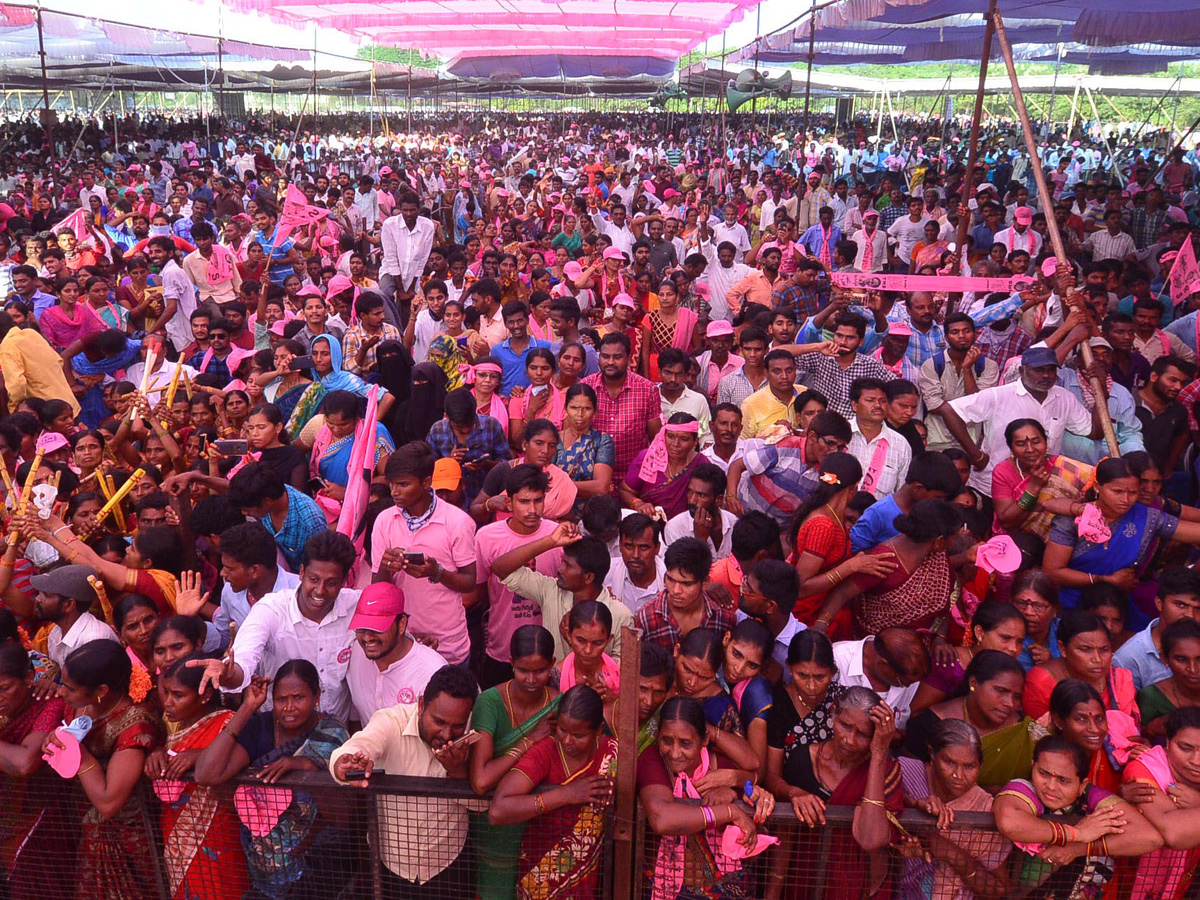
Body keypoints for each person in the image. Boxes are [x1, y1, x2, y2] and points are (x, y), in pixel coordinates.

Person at [193, 660, 350, 900]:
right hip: (262, 862)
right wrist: (247, 708)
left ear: (317, 696)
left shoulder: (332, 733)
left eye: (298, 698)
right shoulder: (263, 727)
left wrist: (304, 768)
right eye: (280, 699)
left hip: (317, 862)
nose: (289, 708)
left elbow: (341, 816)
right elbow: (206, 774)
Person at [329, 665, 480, 900]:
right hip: (388, 869)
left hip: (448, 868)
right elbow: (358, 745)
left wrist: (458, 774)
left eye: (457, 726)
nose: (447, 735)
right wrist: (344, 764)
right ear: (421, 705)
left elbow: (483, 806)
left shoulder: (474, 736)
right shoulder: (391, 721)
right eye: (438, 721)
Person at [190, 531, 359, 722]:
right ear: (302, 572)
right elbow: (244, 658)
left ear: (344, 581)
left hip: (339, 731)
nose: (320, 590)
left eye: (331, 583)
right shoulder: (271, 609)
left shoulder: (356, 605)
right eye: (313, 579)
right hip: (281, 729)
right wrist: (229, 674)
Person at [52, 640, 163, 900]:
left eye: (70, 688)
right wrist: (54, 740)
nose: (62, 693)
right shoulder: (82, 707)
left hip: (125, 840)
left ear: (101, 690)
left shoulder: (135, 726)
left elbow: (108, 802)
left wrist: (77, 755)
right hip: (90, 832)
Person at [770, 686, 903, 900]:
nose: (849, 740)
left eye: (863, 734)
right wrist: (773, 893)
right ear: (834, 715)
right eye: (845, 726)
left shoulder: (886, 771)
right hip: (804, 884)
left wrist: (879, 753)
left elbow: (871, 839)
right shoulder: (803, 758)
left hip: (856, 890)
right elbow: (785, 835)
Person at [637, 696, 775, 900]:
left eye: (685, 743)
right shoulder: (652, 759)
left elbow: (752, 771)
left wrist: (736, 786)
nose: (674, 753)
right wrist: (730, 811)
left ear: (704, 739)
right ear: (658, 736)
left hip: (729, 886)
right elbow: (662, 819)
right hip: (672, 888)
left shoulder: (720, 767)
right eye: (667, 740)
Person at [488, 684, 616, 900]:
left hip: (588, 880)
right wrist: (566, 794)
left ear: (598, 730)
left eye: (578, 735)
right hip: (539, 878)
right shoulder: (545, 752)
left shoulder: (612, 755)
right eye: (563, 730)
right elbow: (498, 810)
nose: (567, 741)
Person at [993, 735, 1161, 897]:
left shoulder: (1092, 796)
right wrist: (1077, 834)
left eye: (1063, 780)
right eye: (1043, 774)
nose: (1050, 786)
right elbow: (1009, 823)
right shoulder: (1025, 789)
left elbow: (1149, 837)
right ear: (1032, 767)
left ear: (1082, 784)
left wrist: (1077, 849)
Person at [467, 625, 561, 900]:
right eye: (523, 670)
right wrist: (531, 739)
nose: (531, 679)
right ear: (510, 663)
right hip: (494, 826)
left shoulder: (560, 705)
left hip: (539, 823)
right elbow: (481, 780)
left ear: (553, 665)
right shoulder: (489, 702)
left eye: (540, 670)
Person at [145, 654, 248, 900]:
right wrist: (155, 755)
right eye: (166, 693)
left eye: (178, 695)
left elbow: (238, 763)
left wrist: (199, 755)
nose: (168, 702)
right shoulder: (174, 729)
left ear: (205, 695)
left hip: (219, 836)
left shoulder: (227, 723)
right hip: (176, 839)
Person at [1043, 457, 1200, 610]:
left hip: (1117, 606)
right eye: (1117, 491)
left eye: (1132, 493)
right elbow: (1053, 572)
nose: (1125, 499)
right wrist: (1106, 580)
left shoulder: (1146, 517)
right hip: (1071, 605)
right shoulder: (1072, 520)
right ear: (1098, 487)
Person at [372, 443, 477, 667]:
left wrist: (436, 572)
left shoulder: (458, 522)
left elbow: (469, 582)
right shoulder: (384, 520)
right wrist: (385, 566)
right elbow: (378, 588)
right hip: (401, 642)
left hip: (447, 644)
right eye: (391, 484)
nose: (394, 492)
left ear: (426, 482)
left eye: (403, 484)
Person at [896, 719, 1012, 900]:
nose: (958, 775)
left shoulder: (984, 807)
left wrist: (953, 855)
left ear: (980, 765)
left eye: (969, 766)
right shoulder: (904, 774)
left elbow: (998, 890)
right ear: (932, 753)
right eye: (949, 762)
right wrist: (912, 806)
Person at [815, 499, 961, 637]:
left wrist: (940, 638)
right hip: (873, 643)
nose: (955, 542)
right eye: (954, 537)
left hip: (918, 641)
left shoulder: (938, 558)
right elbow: (842, 593)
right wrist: (821, 624)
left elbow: (944, 605)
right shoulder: (884, 560)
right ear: (939, 540)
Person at [490, 520, 630, 663]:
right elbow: (500, 568)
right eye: (563, 562)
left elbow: (623, 670)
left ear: (588, 577)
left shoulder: (621, 615)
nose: (559, 569)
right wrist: (550, 541)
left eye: (567, 565)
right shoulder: (550, 590)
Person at [905, 650, 1046, 790]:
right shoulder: (928, 726)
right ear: (973, 683)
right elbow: (910, 779)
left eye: (1016, 696)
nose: (1010, 703)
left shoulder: (1026, 732)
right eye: (1001, 691)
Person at [0, 641, 73, 900]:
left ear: (29, 678)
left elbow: (23, 763)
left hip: (42, 825)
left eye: (4, 689)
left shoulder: (48, 704)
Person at [1118, 707, 1200, 900]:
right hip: (1129, 886)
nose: (1196, 761)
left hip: (1187, 884)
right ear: (1168, 743)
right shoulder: (1143, 768)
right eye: (1185, 748)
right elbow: (1176, 833)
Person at [1022, 608, 1138, 723]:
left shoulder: (1119, 679)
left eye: (1104, 649)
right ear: (1062, 648)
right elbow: (1039, 736)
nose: (1097, 659)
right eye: (1086, 649)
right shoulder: (1041, 683)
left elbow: (1130, 730)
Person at [911, 601, 1027, 713]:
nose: (1014, 648)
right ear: (980, 633)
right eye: (1005, 638)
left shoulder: (1013, 671)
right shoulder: (949, 664)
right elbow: (917, 712)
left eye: (1019, 641)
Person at [991, 418, 1093, 540]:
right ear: (1011, 448)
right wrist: (1034, 488)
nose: (1030, 449)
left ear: (1046, 443)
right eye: (1021, 444)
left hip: (1062, 537)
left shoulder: (1063, 467)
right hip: (1018, 541)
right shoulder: (1003, 471)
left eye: (1036, 441)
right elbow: (1008, 522)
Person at [581, 332, 662, 483]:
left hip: (633, 478)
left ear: (628, 358)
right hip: (591, 477)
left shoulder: (647, 389)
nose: (610, 362)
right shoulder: (585, 387)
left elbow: (656, 439)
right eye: (605, 356)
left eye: (617, 357)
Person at [635, 538, 735, 651]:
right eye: (670, 580)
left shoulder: (723, 619)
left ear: (705, 583)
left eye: (686, 584)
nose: (676, 590)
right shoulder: (646, 619)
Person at [1114, 565, 1200, 691]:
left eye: (1198, 608)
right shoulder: (1129, 658)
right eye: (1181, 605)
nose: (1190, 615)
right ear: (1159, 604)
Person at [621, 413, 706, 520]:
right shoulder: (647, 458)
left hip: (688, 527)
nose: (675, 444)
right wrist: (638, 504)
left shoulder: (701, 463)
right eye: (670, 437)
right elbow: (625, 491)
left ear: (695, 442)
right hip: (650, 526)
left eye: (684, 439)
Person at [555, 383, 614, 515]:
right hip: (555, 514)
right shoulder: (554, 440)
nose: (580, 414)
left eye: (586, 408)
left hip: (591, 517)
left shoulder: (602, 441)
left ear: (595, 412)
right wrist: (584, 488)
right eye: (574, 408)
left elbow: (601, 487)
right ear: (565, 409)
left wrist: (559, 486)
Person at [1136, 619, 1200, 739]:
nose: (1193, 669)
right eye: (1181, 659)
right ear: (1165, 659)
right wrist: (1149, 730)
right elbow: (1136, 742)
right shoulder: (1151, 698)